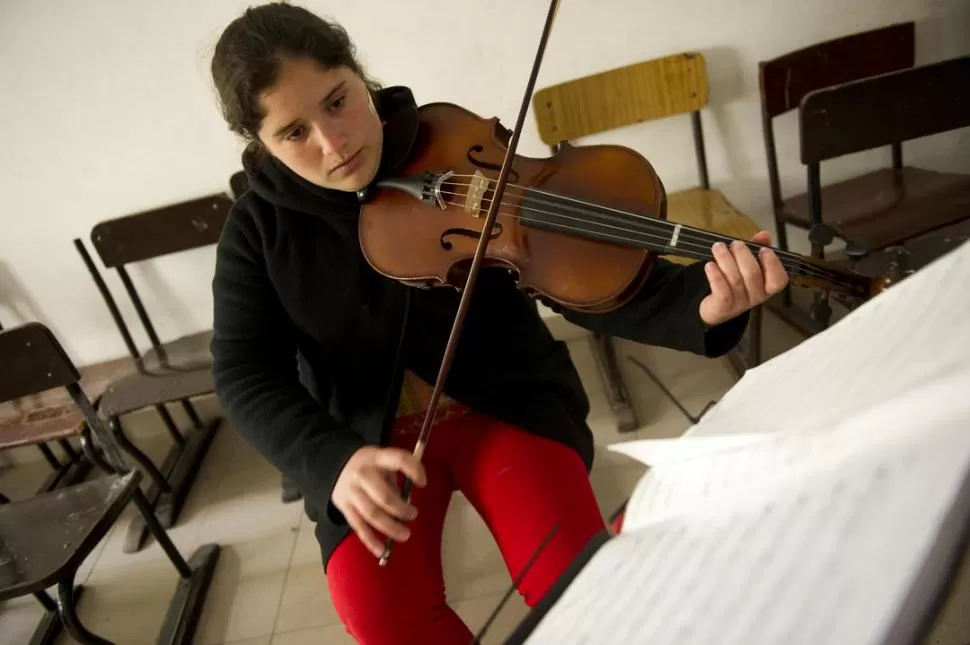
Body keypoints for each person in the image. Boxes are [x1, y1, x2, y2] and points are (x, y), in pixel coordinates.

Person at [207, 3, 789, 643]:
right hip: (364, 440)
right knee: (384, 621)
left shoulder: (451, 150)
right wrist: (332, 461)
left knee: (579, 590)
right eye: (294, 132)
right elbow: (243, 372)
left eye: (338, 102)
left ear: (357, 73)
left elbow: (560, 265)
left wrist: (694, 303)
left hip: (504, 402)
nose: (332, 141)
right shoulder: (256, 231)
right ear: (260, 143)